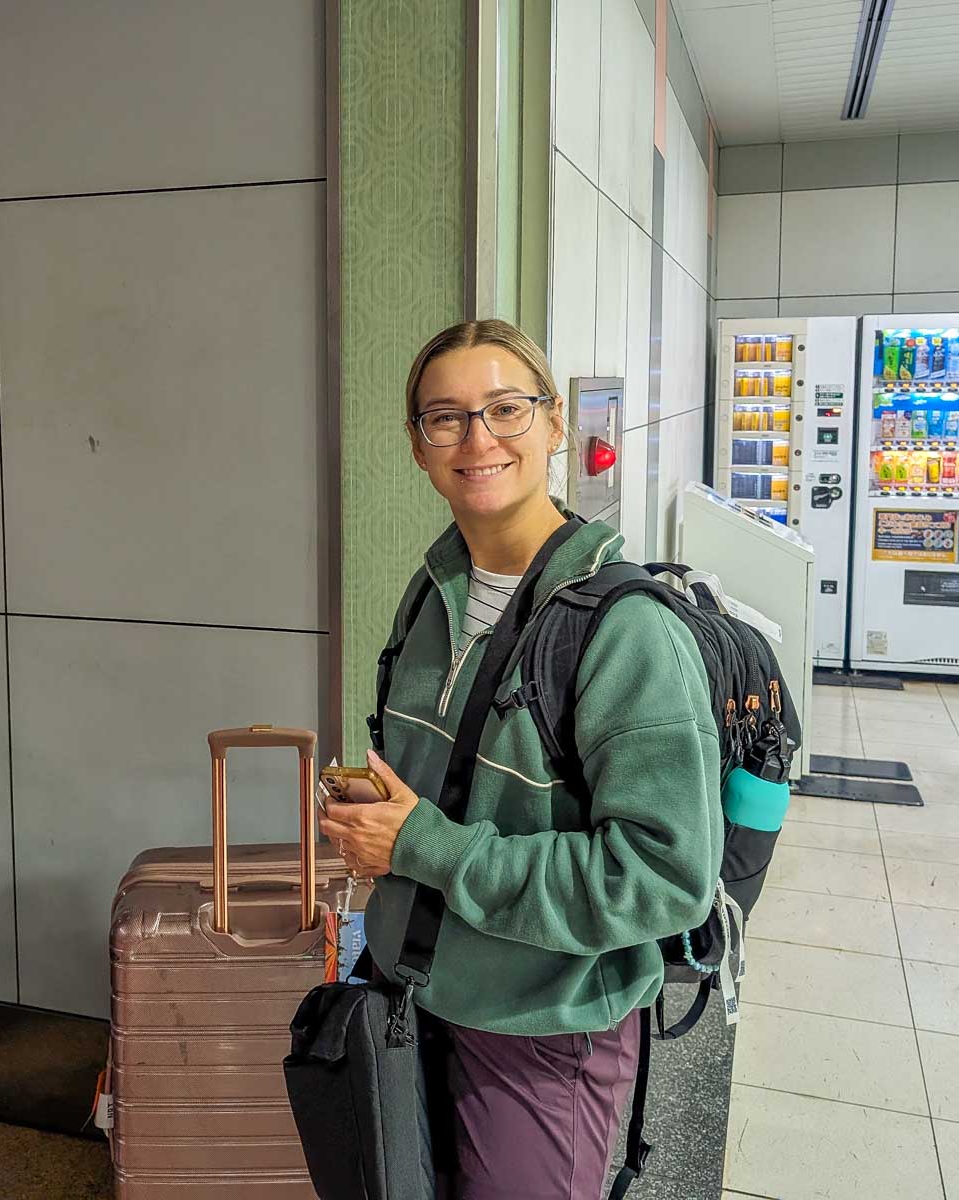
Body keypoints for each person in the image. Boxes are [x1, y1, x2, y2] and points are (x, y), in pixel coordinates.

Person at [319, 319, 723, 1199]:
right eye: (446, 417)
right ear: (419, 447)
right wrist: (371, 848)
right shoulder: (432, 592)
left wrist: (422, 849)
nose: (479, 439)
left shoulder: (627, 633)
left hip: (542, 1029)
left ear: (551, 428)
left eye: (506, 408)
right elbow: (432, 796)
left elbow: (663, 877)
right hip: (409, 993)